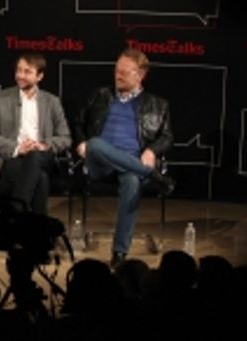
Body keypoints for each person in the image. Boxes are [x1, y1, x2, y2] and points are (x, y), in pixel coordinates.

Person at [74, 48, 174, 265]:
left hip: (131, 164)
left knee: (131, 182)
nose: (118, 75)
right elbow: (79, 123)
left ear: (140, 75)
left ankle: (119, 253)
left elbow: (167, 137)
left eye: (124, 72)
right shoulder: (100, 95)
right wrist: (82, 142)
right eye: (116, 70)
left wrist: (151, 150)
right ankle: (151, 174)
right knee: (96, 144)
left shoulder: (158, 105)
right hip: (100, 162)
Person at [0, 51, 72, 215]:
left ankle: (16, 215)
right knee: (41, 179)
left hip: (43, 156)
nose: (20, 75)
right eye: (18, 70)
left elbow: (65, 137)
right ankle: (38, 232)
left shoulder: (52, 102)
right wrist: (17, 147)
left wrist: (44, 145)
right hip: (13, 158)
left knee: (35, 156)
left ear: (39, 76)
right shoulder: (0, 99)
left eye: (27, 72)